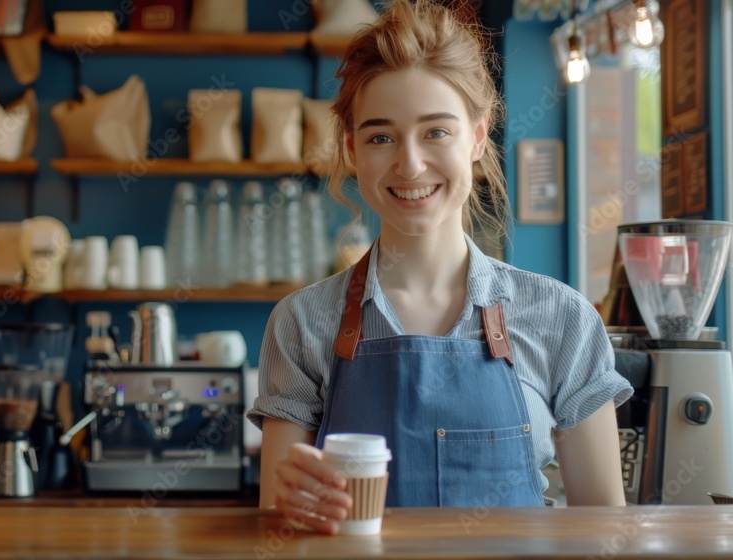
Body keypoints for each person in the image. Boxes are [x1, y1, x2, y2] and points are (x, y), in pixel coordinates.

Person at [246, 0, 634, 535]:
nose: (409, 164)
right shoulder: (301, 323)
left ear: (478, 135)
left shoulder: (562, 318)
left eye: (436, 132)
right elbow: (280, 526)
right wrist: (286, 505)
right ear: (352, 148)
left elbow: (604, 532)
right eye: (380, 136)